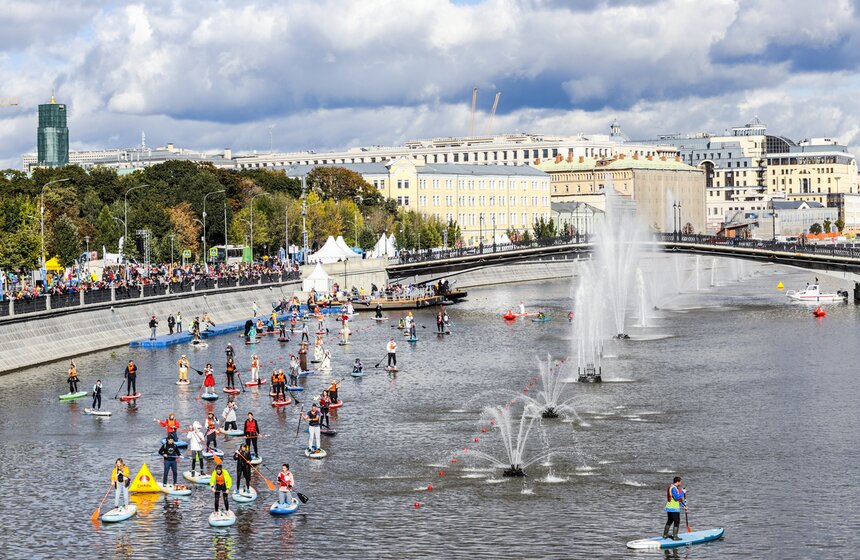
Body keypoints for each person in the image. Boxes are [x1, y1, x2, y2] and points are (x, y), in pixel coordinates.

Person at [663, 476, 687, 540]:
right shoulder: (673, 488)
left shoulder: (674, 487)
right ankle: (675, 537)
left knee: (670, 521)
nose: (681, 483)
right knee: (677, 521)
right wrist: (683, 492)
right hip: (674, 508)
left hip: (670, 507)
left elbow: (678, 500)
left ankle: (665, 535)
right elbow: (677, 497)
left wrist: (683, 506)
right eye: (680, 482)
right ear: (677, 482)